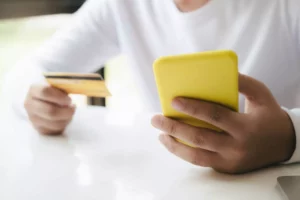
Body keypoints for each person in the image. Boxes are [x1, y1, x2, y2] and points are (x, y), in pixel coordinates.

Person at [3, 0, 300, 174]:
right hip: (171, 182)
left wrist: (290, 136)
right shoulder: (122, 5)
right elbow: (26, 74)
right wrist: (34, 101)